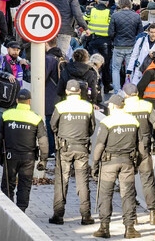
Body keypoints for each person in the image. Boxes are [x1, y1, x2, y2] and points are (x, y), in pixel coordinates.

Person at [91, 94, 146, 239]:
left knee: (105, 194)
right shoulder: (134, 121)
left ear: (114, 106)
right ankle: (130, 229)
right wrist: (137, 163)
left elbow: (99, 146)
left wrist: (94, 165)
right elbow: (141, 146)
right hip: (127, 162)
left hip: (109, 163)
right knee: (128, 195)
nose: (108, 106)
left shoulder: (107, 122)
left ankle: (104, 228)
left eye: (109, 105)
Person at [49, 80, 96, 226]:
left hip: (64, 149)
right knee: (83, 182)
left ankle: (58, 215)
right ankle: (86, 216)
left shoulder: (60, 106)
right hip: (82, 148)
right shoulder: (88, 107)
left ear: (67, 91)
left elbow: (52, 125)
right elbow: (92, 127)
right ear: (79, 92)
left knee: (62, 181)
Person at [0, 89, 48, 213]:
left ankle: (7, 211)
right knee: (25, 184)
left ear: (17, 100)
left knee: (8, 184)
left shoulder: (7, 115)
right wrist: (43, 159)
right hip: (28, 157)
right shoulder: (36, 118)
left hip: (10, 155)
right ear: (29, 102)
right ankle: (21, 210)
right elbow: (43, 141)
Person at [122, 83, 155, 225]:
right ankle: (153, 214)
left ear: (125, 94)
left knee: (127, 181)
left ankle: (132, 217)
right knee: (147, 180)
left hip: (126, 149)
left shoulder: (120, 107)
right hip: (144, 148)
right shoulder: (146, 106)